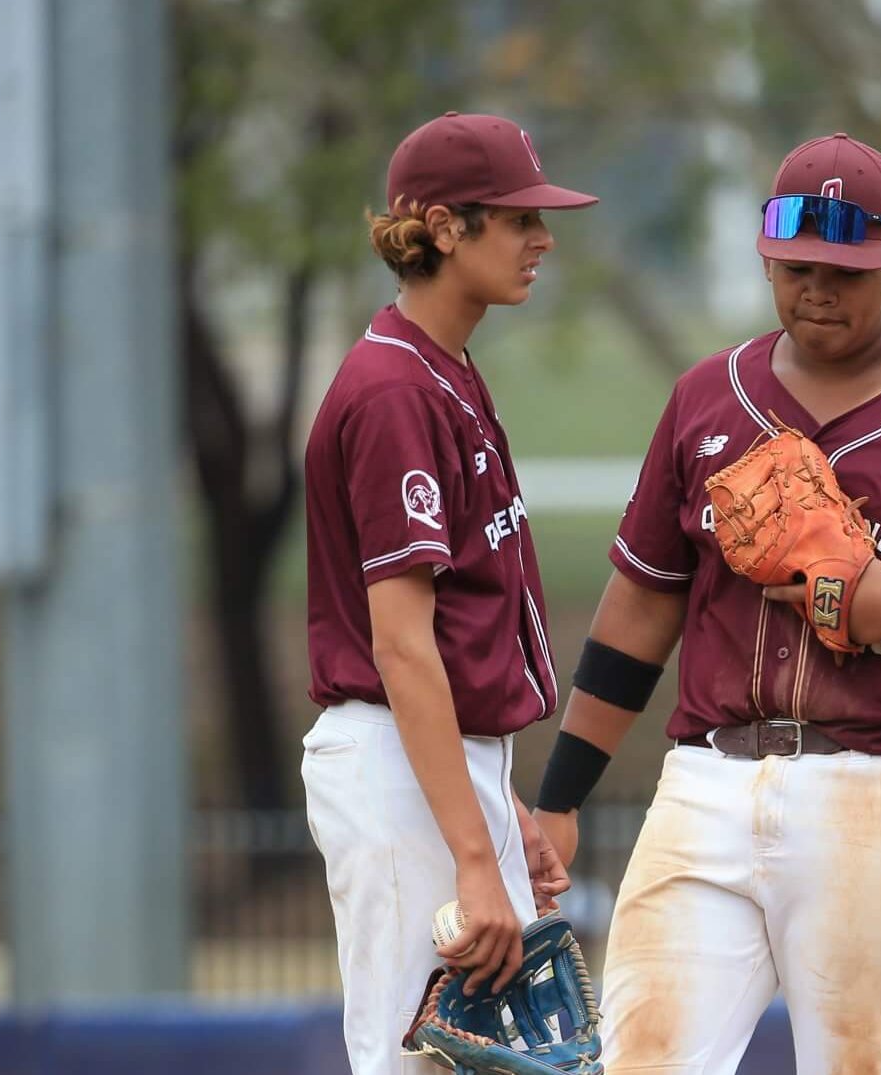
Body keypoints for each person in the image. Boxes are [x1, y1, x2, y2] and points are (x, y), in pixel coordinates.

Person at [529, 132, 881, 1075]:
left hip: (878, 787)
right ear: (764, 258)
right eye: (795, 268)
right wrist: (558, 798)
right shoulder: (708, 396)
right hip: (706, 779)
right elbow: (638, 612)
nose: (817, 290)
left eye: (845, 269)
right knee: (639, 1059)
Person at [300, 111, 589, 1075]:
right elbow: (403, 647)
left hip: (443, 765)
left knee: (477, 1064)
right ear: (444, 226)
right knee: (410, 1061)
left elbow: (460, 632)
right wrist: (474, 854)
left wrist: (497, 819)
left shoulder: (444, 370)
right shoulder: (393, 392)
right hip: (393, 760)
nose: (541, 239)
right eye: (516, 219)